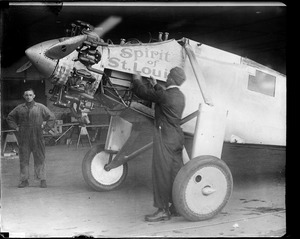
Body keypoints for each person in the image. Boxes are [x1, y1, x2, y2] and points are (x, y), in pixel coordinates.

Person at [132, 66, 186, 222]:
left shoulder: (165, 95)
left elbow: (142, 92)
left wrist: (136, 78)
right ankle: (176, 207)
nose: (167, 78)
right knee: (176, 172)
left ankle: (163, 210)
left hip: (165, 137)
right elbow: (161, 95)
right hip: (177, 137)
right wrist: (155, 83)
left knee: (161, 172)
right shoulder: (180, 96)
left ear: (171, 79)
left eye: (168, 75)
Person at [6, 88, 56, 188]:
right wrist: (15, 127)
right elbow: (10, 117)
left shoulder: (40, 107)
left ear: (34, 96)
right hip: (24, 137)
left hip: (37, 136)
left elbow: (51, 117)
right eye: (26, 95)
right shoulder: (20, 108)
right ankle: (24, 180)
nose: (28, 97)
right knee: (24, 159)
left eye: (30, 95)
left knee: (40, 158)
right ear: (24, 97)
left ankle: (42, 179)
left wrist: (46, 129)